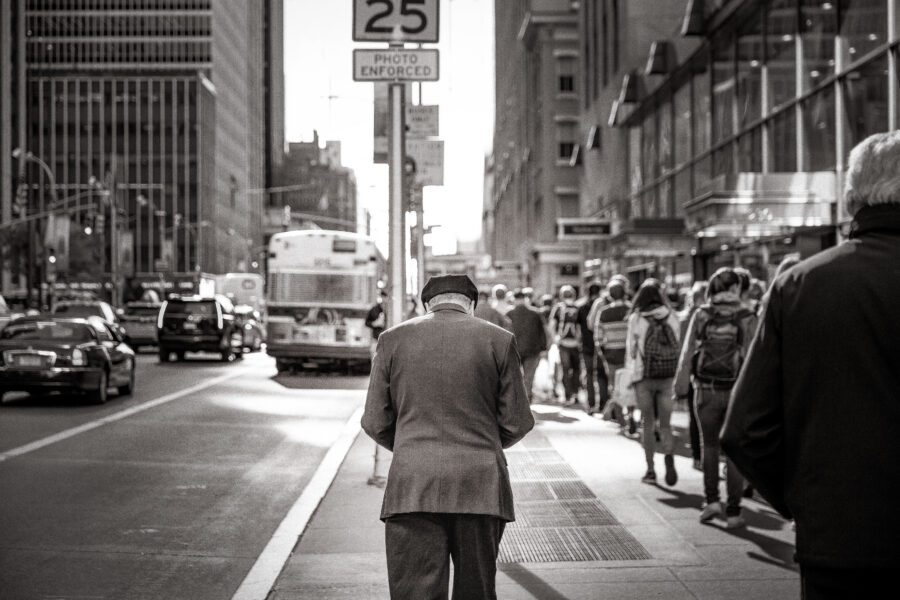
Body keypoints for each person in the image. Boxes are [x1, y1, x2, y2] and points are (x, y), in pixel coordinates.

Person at [721, 131, 900, 598]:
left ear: (849, 201)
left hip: (839, 542)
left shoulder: (801, 286)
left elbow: (744, 430)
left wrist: (805, 500)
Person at [362, 274, 534, 600]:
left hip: (412, 485)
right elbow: (518, 420)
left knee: (415, 594)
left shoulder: (391, 340)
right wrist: (485, 442)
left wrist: (408, 446)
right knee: (476, 592)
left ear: (427, 305)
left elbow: (374, 420)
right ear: (471, 305)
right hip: (480, 485)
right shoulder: (499, 340)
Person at [674, 269, 757, 529]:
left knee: (709, 445)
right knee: (734, 451)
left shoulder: (702, 314)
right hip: (737, 391)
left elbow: (687, 352)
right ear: (736, 289)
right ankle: (733, 512)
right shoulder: (747, 316)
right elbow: (755, 358)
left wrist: (681, 387)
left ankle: (711, 501)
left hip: (705, 389)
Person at [625, 279, 681, 486]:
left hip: (643, 377)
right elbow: (677, 345)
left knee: (647, 424)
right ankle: (669, 456)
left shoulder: (636, 318)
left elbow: (631, 352)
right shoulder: (671, 316)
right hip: (666, 377)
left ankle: (650, 470)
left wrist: (630, 378)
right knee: (665, 425)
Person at [677, 281, 708, 471]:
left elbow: (681, 351)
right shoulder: (710, 316)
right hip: (713, 374)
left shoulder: (683, 318)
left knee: (695, 417)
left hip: (692, 373)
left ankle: (698, 456)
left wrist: (679, 381)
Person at [592, 280, 631, 420]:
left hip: (611, 354)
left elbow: (598, 338)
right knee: (630, 384)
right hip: (628, 355)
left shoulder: (603, 312)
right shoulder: (631, 310)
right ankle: (630, 415)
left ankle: (620, 417)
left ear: (610, 295)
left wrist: (604, 355)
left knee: (614, 385)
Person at [507, 288, 548, 403]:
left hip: (514, 350)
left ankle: (517, 400)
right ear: (525, 299)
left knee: (515, 376)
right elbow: (542, 333)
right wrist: (544, 348)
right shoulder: (535, 313)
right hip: (532, 349)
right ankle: (527, 399)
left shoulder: (509, 314)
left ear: (514, 299)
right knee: (529, 377)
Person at [549, 285, 582, 404]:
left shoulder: (558, 308)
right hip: (575, 344)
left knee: (565, 369)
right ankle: (576, 394)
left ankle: (567, 396)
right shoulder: (578, 307)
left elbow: (552, 325)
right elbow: (580, 326)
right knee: (576, 369)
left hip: (562, 343)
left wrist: (555, 339)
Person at [576, 282, 603, 413]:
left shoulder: (582, 307)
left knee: (590, 374)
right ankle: (603, 404)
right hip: (603, 346)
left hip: (587, 346)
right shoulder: (604, 305)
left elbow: (578, 328)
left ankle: (591, 404)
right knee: (602, 375)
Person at [365, 289, 388, 355]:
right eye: (383, 297)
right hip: (376, 339)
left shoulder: (391, 310)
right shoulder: (374, 309)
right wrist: (374, 324)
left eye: (386, 297)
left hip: (389, 340)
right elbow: (367, 322)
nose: (385, 299)